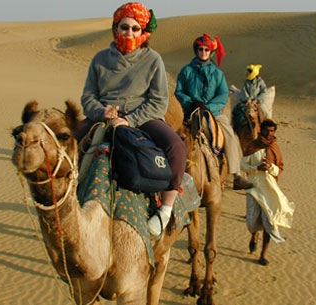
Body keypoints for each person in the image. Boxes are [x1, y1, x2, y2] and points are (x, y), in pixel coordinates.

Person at [79, 2, 186, 236]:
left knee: (176, 147)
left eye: (135, 28)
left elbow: (159, 101)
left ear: (143, 33)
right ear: (115, 29)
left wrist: (132, 120)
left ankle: (165, 211)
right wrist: (101, 112)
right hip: (104, 116)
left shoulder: (153, 60)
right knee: (67, 144)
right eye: (124, 27)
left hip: (142, 117)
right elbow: (87, 96)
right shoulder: (100, 60)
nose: (129, 33)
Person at [175, 33, 253, 190]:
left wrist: (208, 107)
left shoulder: (218, 74)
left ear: (210, 52)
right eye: (200, 49)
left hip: (213, 113)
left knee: (230, 135)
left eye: (206, 50)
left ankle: (236, 175)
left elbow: (223, 94)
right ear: (196, 50)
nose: (203, 52)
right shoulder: (186, 71)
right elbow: (179, 91)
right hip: (189, 111)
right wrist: (190, 102)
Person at [241, 119, 295, 266]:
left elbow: (280, 169)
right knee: (252, 222)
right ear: (261, 130)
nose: (269, 133)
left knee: (270, 223)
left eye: (272, 131)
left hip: (269, 190)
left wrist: (271, 167)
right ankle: (254, 235)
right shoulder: (252, 146)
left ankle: (263, 255)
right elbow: (243, 165)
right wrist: (256, 168)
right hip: (253, 188)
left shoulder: (275, 148)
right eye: (266, 130)